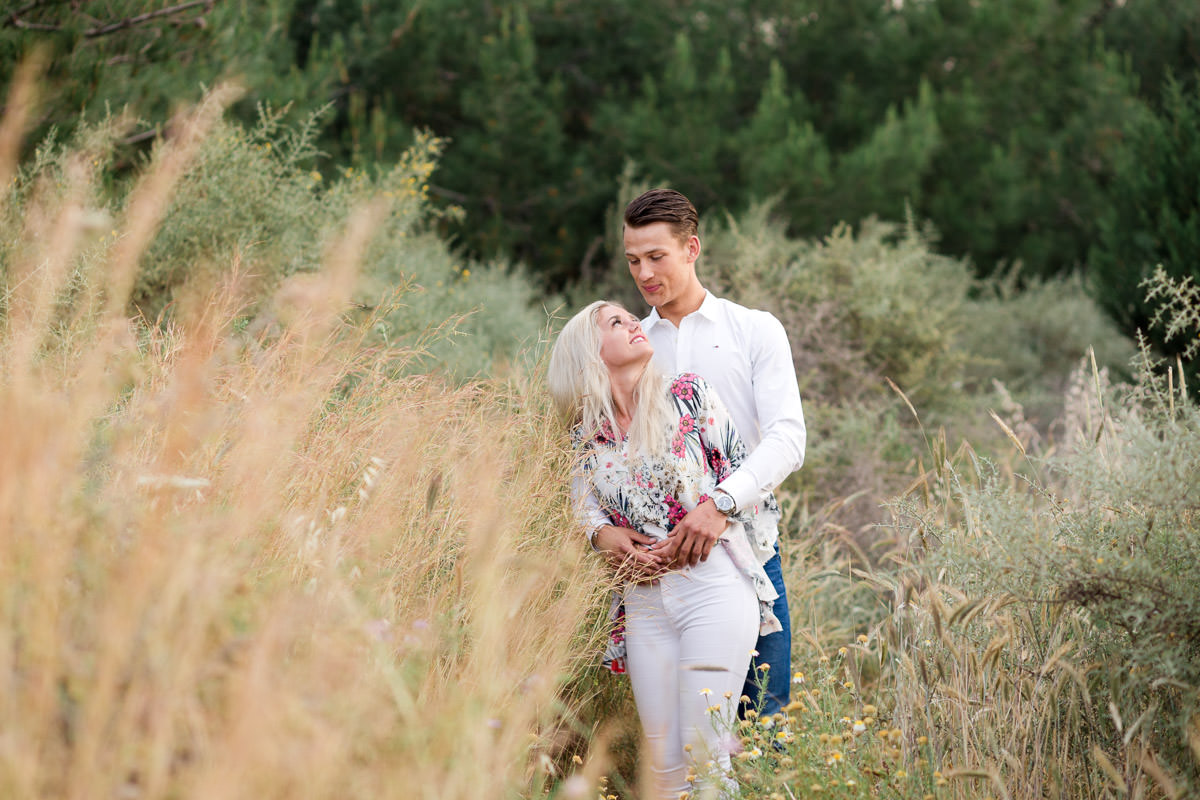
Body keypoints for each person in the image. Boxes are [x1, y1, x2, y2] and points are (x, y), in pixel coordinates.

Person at [548, 300, 782, 799]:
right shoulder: (586, 433)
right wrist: (600, 535)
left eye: (630, 317)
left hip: (711, 584)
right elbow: (582, 501)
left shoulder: (688, 393)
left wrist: (715, 513)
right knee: (665, 765)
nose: (635, 322)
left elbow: (745, 472)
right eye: (616, 322)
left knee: (706, 754)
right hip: (644, 600)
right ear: (591, 354)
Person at [587, 189, 806, 716]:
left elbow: (787, 439)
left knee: (762, 723)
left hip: (747, 552)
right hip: (655, 574)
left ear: (692, 248)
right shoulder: (631, 345)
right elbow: (591, 449)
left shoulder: (754, 330)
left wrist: (721, 505)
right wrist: (599, 531)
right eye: (633, 260)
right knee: (681, 738)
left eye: (656, 256)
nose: (643, 274)